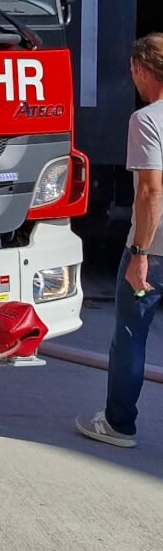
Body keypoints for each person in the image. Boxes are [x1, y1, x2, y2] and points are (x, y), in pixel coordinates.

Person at [76, 33, 163, 449]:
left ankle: (118, 425)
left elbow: (150, 191)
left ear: (142, 71)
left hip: (154, 251)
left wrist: (140, 253)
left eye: (132, 71)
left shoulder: (146, 120)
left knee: (130, 337)